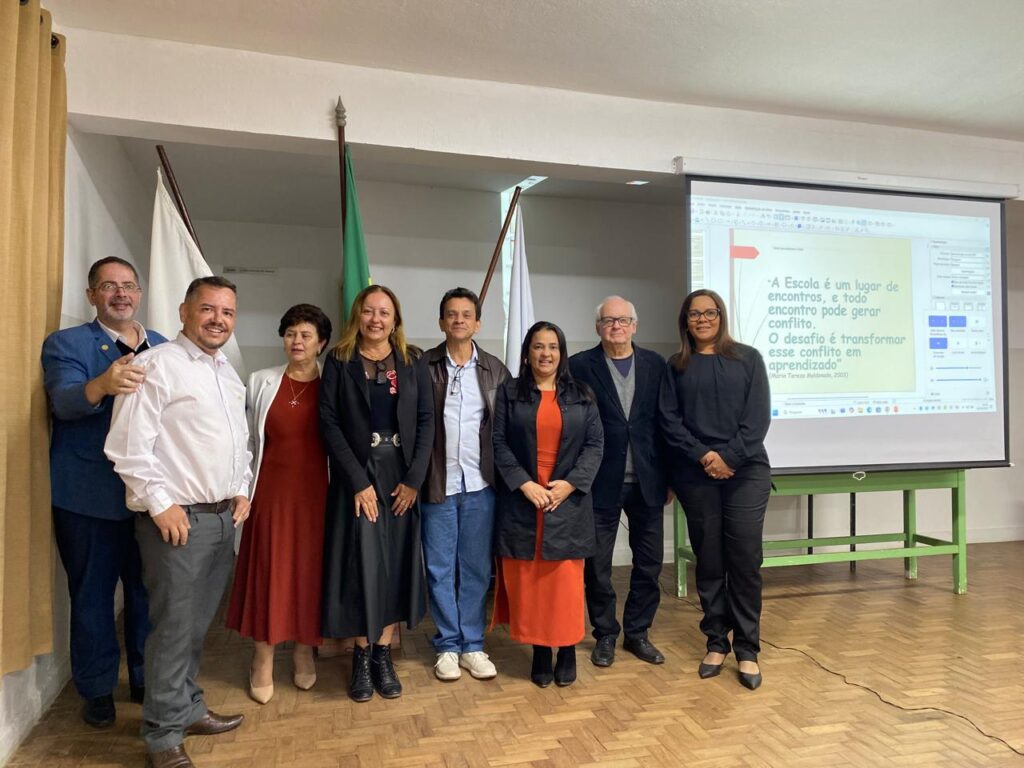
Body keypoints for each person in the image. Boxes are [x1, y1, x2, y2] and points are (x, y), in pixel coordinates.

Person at [105, 276, 251, 768]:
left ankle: (186, 708)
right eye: (208, 309)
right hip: (177, 522)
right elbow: (127, 446)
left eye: (227, 312)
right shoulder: (156, 365)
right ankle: (162, 735)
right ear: (185, 311)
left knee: (194, 627)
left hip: (220, 519)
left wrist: (242, 488)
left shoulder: (227, 373)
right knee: (171, 630)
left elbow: (238, 443)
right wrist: (159, 503)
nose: (218, 320)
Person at [41, 257, 167, 728]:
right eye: (109, 286)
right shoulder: (66, 343)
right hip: (87, 498)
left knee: (147, 596)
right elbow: (64, 402)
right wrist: (102, 384)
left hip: (150, 499)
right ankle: (96, 690)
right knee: (92, 598)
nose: (121, 294)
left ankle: (145, 679)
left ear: (140, 293)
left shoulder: (163, 346)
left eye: (129, 285)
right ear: (91, 294)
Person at [319, 285, 432, 702]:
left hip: (400, 475)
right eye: (369, 311)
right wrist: (357, 481)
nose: (376, 319)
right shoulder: (339, 359)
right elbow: (328, 422)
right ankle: (362, 657)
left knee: (395, 564)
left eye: (384, 312)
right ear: (358, 316)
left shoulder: (412, 360)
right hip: (357, 476)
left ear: (395, 319)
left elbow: (426, 421)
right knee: (362, 564)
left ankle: (384, 654)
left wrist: (415, 479)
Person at [659, 289, 771, 691]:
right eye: (694, 314)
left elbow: (757, 419)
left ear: (721, 316)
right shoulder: (676, 366)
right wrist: (705, 456)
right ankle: (716, 642)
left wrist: (729, 458)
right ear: (685, 321)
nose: (703, 319)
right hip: (695, 472)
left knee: (744, 559)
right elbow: (669, 421)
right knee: (708, 559)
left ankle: (747, 648)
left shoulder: (748, 359)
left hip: (746, 471)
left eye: (710, 312)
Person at [226, 304, 333, 704]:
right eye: (290, 334)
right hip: (269, 494)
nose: (297, 341)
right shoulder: (261, 381)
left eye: (306, 335)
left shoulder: (332, 384)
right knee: (268, 572)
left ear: (321, 343)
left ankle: (304, 650)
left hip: (318, 496)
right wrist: (242, 488)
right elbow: (247, 442)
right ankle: (263, 657)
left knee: (309, 574)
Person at [492, 321, 604, 688]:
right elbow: (498, 443)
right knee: (531, 583)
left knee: (564, 584)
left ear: (562, 353)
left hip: (566, 500)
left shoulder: (582, 394)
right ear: (527, 353)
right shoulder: (509, 392)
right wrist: (524, 483)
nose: (546, 353)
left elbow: (595, 445)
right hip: (524, 499)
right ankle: (540, 650)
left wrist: (570, 484)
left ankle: (567, 649)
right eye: (538, 346)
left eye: (553, 347)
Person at [569, 296, 669, 669]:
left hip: (649, 480)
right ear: (598, 327)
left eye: (623, 320)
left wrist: (671, 477)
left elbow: (666, 423)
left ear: (634, 326)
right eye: (609, 320)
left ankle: (638, 633)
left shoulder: (656, 365)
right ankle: (606, 634)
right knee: (597, 566)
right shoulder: (579, 366)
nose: (616, 326)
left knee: (650, 564)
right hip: (598, 482)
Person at [420, 288, 509, 682]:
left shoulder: (495, 370)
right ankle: (447, 645)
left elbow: (506, 429)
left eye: (466, 314)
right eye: (452, 314)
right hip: (437, 484)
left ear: (478, 323)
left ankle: (472, 644)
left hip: (481, 485)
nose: (459, 320)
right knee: (439, 567)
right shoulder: (422, 366)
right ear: (442, 322)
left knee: (475, 568)